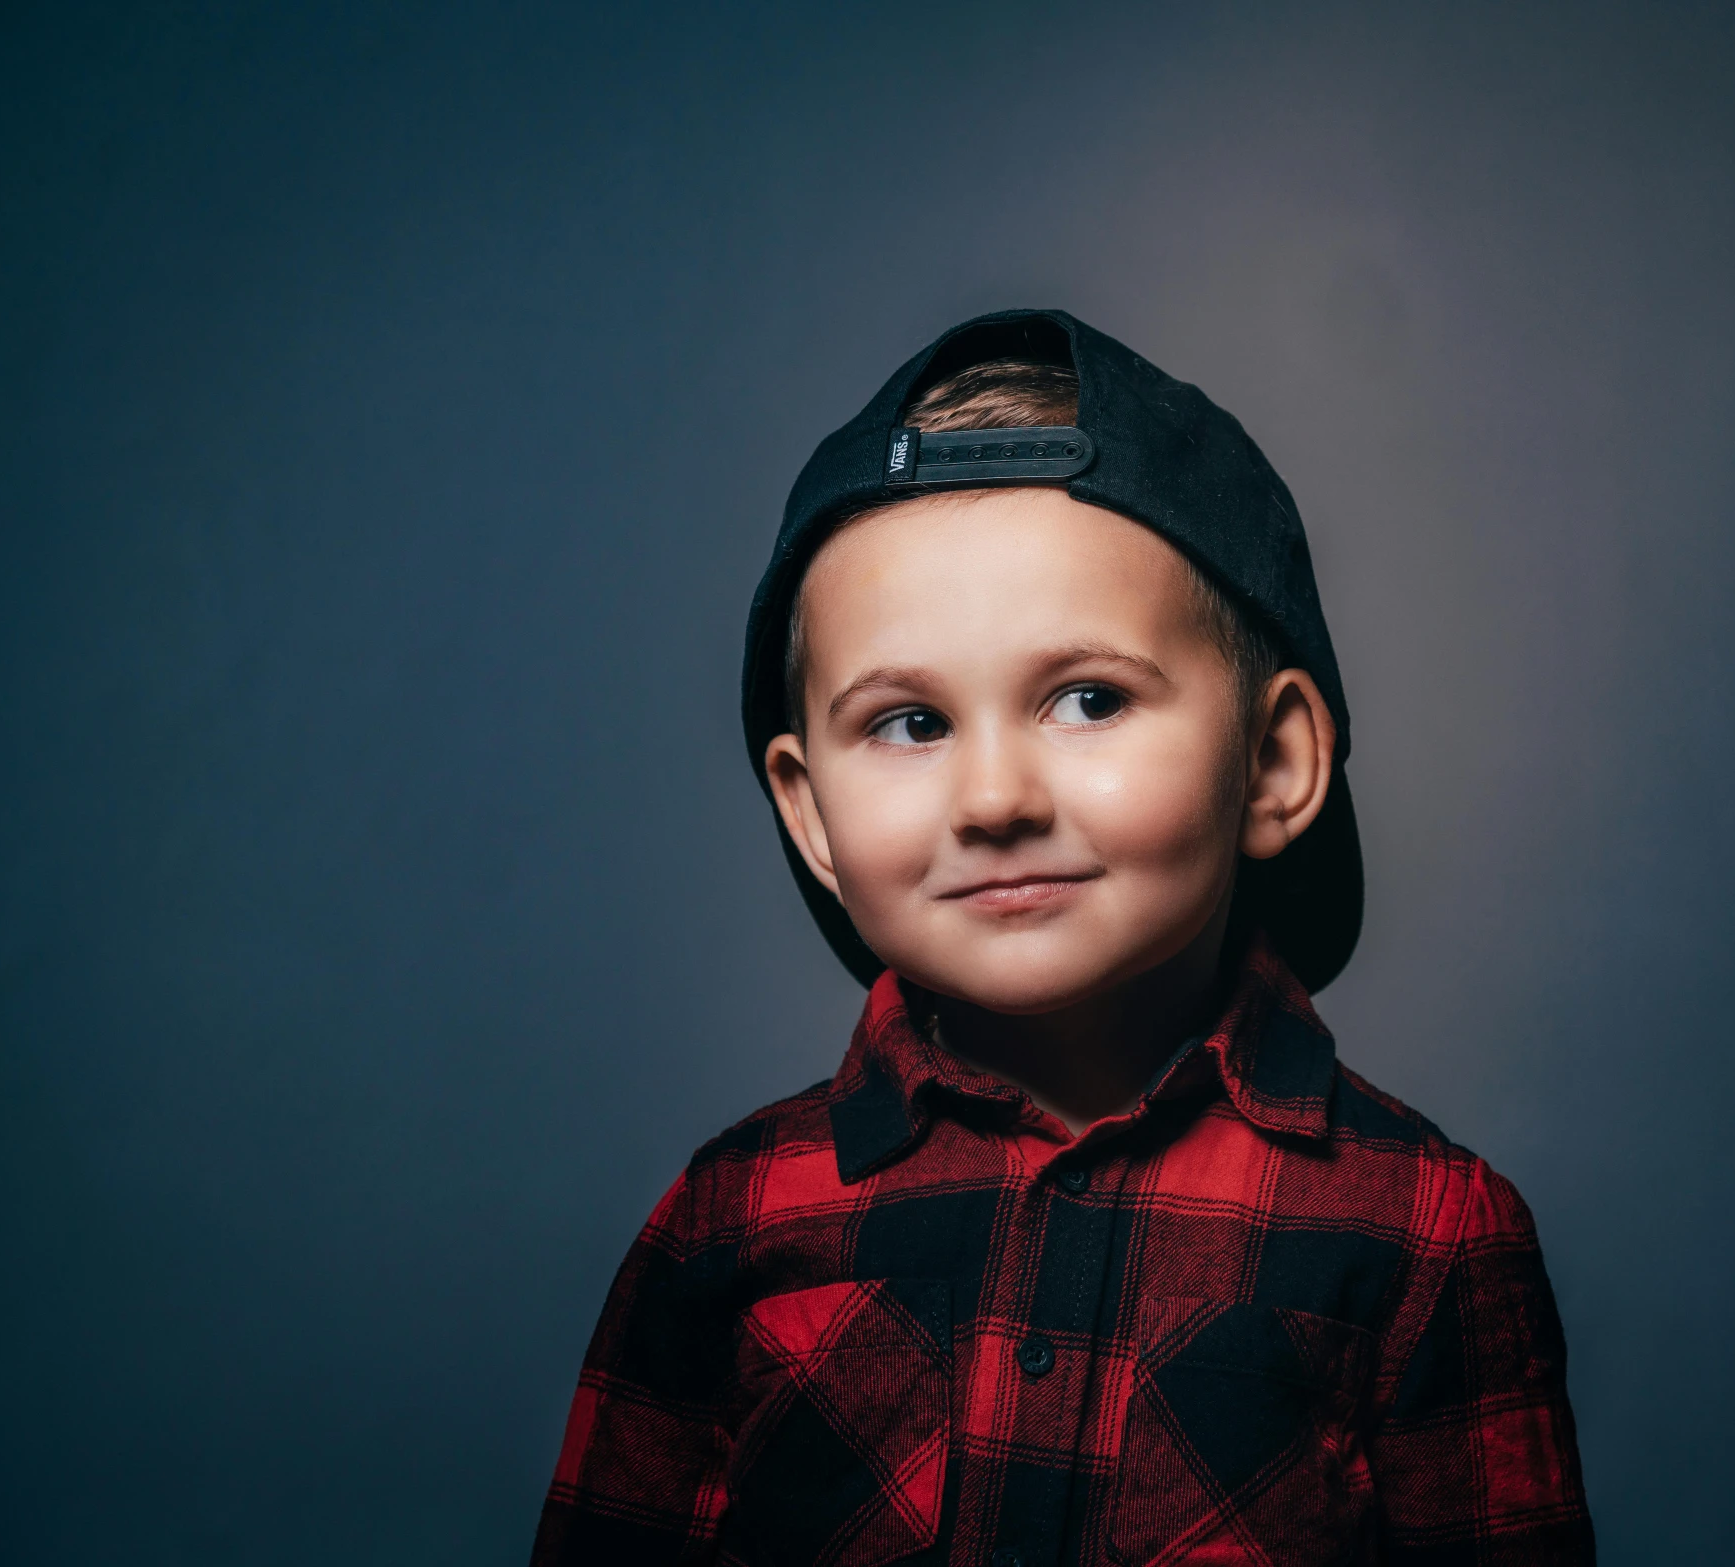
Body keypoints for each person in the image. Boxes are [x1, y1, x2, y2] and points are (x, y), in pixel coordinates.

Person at [530, 309, 1593, 1565]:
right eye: (909, 723)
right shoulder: (730, 1221)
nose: (994, 800)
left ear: (1274, 760)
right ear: (809, 810)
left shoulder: (1424, 1234)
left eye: (1087, 700)